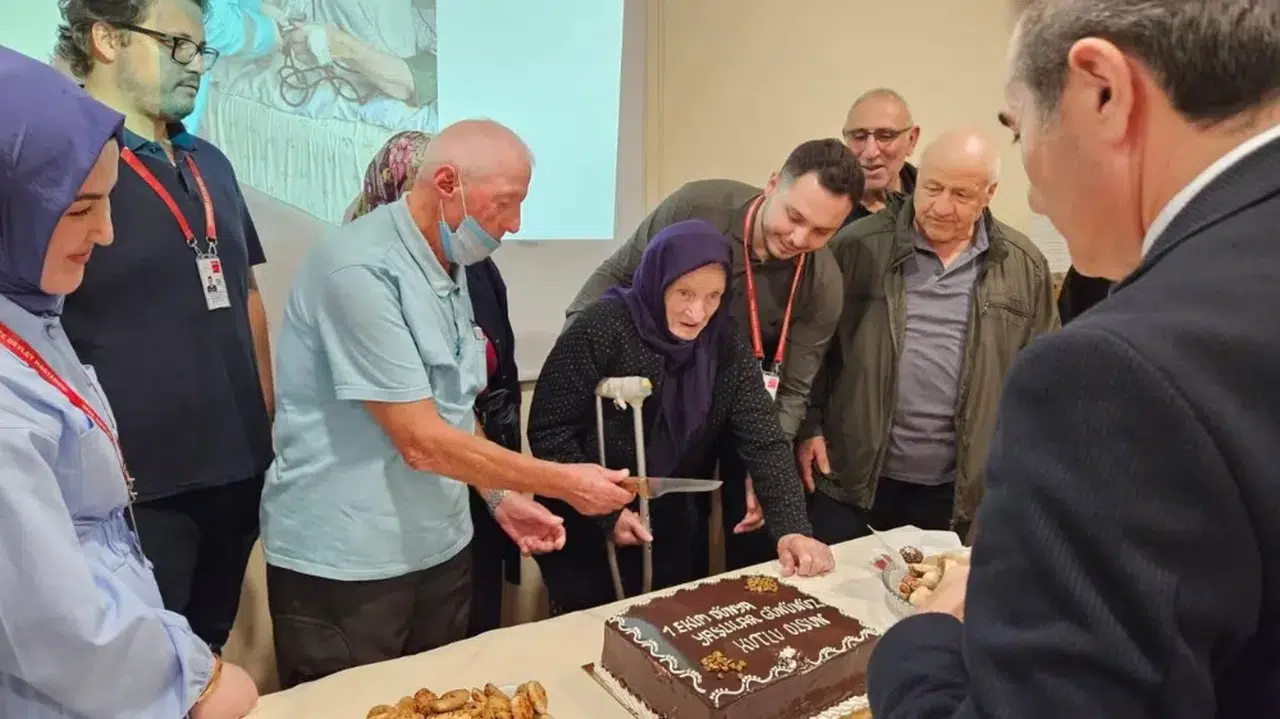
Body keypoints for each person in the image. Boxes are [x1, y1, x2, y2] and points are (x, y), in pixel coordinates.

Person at [868, 1, 1280, 717]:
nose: (1031, 191)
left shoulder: (1109, 372)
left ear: (1102, 91)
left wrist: (921, 640)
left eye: (1018, 128)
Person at [262, 119, 634, 688]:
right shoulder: (359, 269)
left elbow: (452, 406)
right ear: (445, 183)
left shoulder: (450, 262)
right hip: (351, 566)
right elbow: (420, 441)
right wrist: (565, 483)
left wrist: (500, 496)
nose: (516, 223)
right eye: (505, 203)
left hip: (439, 550)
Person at [0, 47, 257, 719]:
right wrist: (191, 679)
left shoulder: (32, 314)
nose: (106, 233)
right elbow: (54, 625)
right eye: (79, 209)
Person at [55, 0, 275, 653]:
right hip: (134, 491)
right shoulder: (61, 157)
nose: (195, 65)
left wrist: (263, 418)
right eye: (176, 44)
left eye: (201, 50)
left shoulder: (211, 163)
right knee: (139, 667)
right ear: (106, 39)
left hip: (235, 473)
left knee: (206, 655)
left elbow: (247, 293)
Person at [567, 139, 861, 571]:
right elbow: (615, 274)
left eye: (822, 232)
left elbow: (794, 387)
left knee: (749, 533)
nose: (800, 239)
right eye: (795, 217)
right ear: (773, 184)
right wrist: (577, 349)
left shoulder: (823, 282)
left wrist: (768, 471)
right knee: (650, 529)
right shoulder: (697, 207)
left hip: (744, 404)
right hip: (656, 391)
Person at [530, 220, 834, 613]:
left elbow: (764, 437)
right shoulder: (602, 327)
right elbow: (549, 431)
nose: (697, 312)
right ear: (658, 281)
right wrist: (607, 515)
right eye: (684, 293)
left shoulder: (723, 343)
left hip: (673, 524)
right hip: (586, 520)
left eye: (713, 296)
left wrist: (792, 529)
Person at [799, 129, 1058, 544]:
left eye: (961, 194)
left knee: (935, 585)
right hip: (851, 479)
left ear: (989, 193)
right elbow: (810, 348)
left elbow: (1044, 378)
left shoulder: (1024, 266)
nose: (940, 206)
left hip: (957, 491)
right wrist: (809, 425)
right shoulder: (856, 247)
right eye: (932, 188)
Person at [343, 129, 524, 638]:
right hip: (390, 510)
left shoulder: (473, 269)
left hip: (474, 484)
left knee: (469, 640)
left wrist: (501, 483)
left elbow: (494, 371)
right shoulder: (357, 273)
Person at [840, 88, 920, 224]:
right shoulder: (825, 204)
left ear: (911, 140)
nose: (870, 153)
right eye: (859, 137)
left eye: (885, 136)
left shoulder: (931, 200)